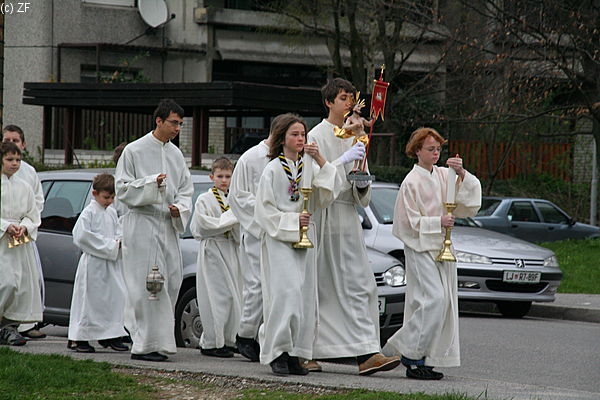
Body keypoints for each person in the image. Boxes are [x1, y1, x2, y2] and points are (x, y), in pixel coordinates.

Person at [307, 78, 400, 375]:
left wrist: (361, 178)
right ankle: (307, 350)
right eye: (343, 98)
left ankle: (368, 352)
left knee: (362, 286)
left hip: (348, 219)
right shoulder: (316, 135)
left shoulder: (355, 135)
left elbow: (361, 189)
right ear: (329, 102)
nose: (349, 102)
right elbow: (314, 181)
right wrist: (342, 161)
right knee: (322, 288)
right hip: (325, 218)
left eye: (351, 97)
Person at [382, 127, 481, 380]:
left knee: (443, 302)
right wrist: (438, 222)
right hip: (420, 247)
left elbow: (467, 201)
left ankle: (426, 357)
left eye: (438, 149)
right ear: (417, 151)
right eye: (430, 149)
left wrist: (461, 173)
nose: (436, 153)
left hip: (442, 246)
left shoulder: (444, 175)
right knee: (433, 299)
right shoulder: (411, 182)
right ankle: (409, 352)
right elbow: (406, 222)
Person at [254, 113, 335, 376]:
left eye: (303, 134)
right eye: (295, 134)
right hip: (280, 239)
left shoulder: (308, 166)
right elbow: (264, 211)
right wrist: (292, 220)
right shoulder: (272, 169)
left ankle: (295, 353)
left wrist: (319, 158)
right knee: (285, 294)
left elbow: (327, 194)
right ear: (282, 138)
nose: (300, 139)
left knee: (302, 297)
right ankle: (277, 351)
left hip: (305, 238)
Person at [115, 99, 193, 362]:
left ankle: (160, 342)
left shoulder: (176, 155)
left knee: (170, 282)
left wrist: (180, 208)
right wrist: (151, 184)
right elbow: (122, 189)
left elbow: (186, 190)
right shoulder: (134, 151)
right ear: (158, 120)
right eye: (174, 123)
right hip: (142, 225)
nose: (178, 128)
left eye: (181, 124)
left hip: (167, 226)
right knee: (147, 286)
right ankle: (143, 345)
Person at [228, 117, 278, 362]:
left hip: (281, 233)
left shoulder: (287, 159)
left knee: (277, 287)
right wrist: (268, 213)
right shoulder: (250, 158)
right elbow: (238, 197)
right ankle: (245, 334)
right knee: (257, 285)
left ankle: (269, 337)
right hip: (258, 232)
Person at [68, 173, 129, 353]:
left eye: (112, 197)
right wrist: (110, 246)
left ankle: (110, 334)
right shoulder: (89, 213)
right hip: (93, 264)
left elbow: (118, 230)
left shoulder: (111, 212)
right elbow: (81, 236)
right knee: (89, 301)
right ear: (95, 193)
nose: (109, 201)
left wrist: (119, 241)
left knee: (114, 297)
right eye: (106, 197)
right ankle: (80, 338)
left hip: (110, 264)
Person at [190, 157, 242, 358]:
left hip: (230, 249)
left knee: (232, 295)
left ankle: (227, 339)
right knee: (215, 296)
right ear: (212, 177)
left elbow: (240, 227)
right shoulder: (204, 199)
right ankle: (212, 341)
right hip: (212, 250)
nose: (224, 180)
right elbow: (203, 225)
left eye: (228, 176)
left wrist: (232, 223)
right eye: (220, 176)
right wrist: (230, 220)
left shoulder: (233, 199)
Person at [2, 125, 46, 340]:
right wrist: (5, 226)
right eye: (10, 159)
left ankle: (9, 326)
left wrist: (25, 227)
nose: (14, 164)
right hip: (2, 239)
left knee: (20, 283)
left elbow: (34, 210)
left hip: (19, 240)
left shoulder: (25, 184)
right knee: (5, 282)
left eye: (17, 160)